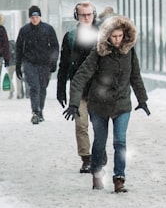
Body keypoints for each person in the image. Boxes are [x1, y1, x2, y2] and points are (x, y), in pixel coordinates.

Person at [64, 15, 149, 193]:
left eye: (120, 36)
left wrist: (142, 100)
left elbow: (135, 77)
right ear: (107, 36)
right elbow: (81, 76)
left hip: (122, 104)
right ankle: (96, 172)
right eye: (113, 36)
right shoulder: (98, 52)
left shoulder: (129, 52)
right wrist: (74, 103)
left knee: (120, 141)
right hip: (99, 104)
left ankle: (119, 178)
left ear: (125, 35)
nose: (117, 40)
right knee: (100, 142)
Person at [57, 1, 101, 173]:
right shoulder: (71, 37)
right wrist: (61, 88)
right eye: (82, 14)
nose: (86, 18)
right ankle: (86, 158)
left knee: (99, 124)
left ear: (94, 15)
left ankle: (99, 151)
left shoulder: (102, 35)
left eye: (89, 14)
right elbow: (64, 64)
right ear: (77, 16)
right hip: (78, 87)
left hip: (99, 87)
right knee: (81, 125)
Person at [14, 5, 60, 124]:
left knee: (42, 87)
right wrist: (18, 65)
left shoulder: (48, 29)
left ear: (40, 16)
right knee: (34, 87)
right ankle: (35, 111)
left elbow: (55, 46)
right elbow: (19, 48)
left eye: (37, 16)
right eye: (32, 17)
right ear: (30, 17)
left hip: (44, 63)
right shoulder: (24, 30)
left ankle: (40, 109)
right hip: (29, 63)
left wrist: (54, 61)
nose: (35, 19)